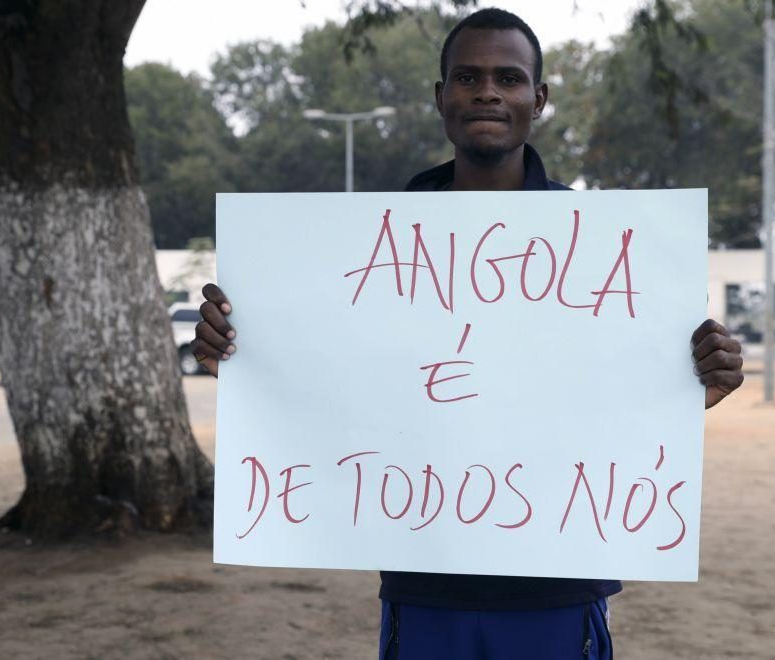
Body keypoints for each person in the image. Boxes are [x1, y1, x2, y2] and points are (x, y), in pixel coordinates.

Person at [192, 8, 744, 659]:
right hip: (425, 583)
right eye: (467, 77)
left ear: (537, 99)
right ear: (440, 98)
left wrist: (699, 386)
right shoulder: (364, 251)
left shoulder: (599, 246)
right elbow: (333, 385)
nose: (487, 92)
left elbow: (619, 399)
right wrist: (239, 352)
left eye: (508, 78)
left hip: (556, 585)